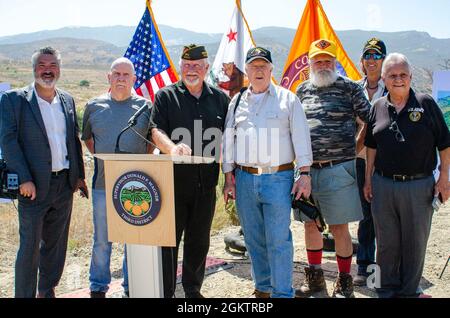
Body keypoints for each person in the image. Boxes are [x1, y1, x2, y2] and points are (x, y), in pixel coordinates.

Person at [222, 47, 313, 298]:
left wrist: (304, 173)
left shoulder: (288, 99)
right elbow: (229, 140)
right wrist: (228, 177)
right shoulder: (237, 101)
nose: (259, 70)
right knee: (253, 239)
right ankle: (262, 288)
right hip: (244, 178)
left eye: (264, 65)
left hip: (278, 178)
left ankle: (282, 293)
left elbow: (302, 139)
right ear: (247, 71)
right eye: (254, 66)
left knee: (278, 240)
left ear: (272, 69)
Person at [0, 47, 87, 298]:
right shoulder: (14, 100)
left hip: (64, 186)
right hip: (34, 188)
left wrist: (78, 176)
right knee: (29, 248)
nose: (47, 70)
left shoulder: (67, 100)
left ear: (59, 69)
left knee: (56, 246)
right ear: (34, 68)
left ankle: (46, 291)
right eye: (42, 65)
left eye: (52, 65)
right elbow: (8, 142)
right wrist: (24, 178)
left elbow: (73, 139)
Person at [364, 53, 450, 298]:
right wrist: (369, 179)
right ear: (384, 79)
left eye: (403, 74)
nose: (398, 79)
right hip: (383, 184)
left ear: (411, 77)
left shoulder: (426, 104)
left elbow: (445, 143)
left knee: (414, 244)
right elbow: (371, 146)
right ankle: (384, 289)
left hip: (418, 185)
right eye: (392, 75)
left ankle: (410, 292)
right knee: (386, 243)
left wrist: (444, 179)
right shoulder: (378, 106)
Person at [150, 44, 229, 298]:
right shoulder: (166, 96)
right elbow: (155, 130)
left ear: (206, 68)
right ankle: (166, 292)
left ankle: (193, 290)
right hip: (172, 184)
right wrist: (172, 149)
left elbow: (229, 142)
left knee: (199, 242)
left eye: (197, 65)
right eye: (186, 65)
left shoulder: (220, 99)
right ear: (180, 67)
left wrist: (229, 178)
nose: (191, 69)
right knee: (168, 242)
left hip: (206, 186)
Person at [295, 39, 371, 298]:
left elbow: (369, 120)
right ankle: (315, 278)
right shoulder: (302, 89)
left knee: (339, 227)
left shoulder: (349, 88)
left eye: (328, 60)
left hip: (339, 168)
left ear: (335, 62)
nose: (323, 64)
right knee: (309, 225)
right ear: (310, 63)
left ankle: (344, 281)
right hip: (307, 172)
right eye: (318, 60)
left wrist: (354, 147)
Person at [82, 57, 153, 298]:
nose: (121, 78)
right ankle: (98, 287)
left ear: (134, 79)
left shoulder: (145, 107)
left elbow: (151, 143)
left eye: (126, 75)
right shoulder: (93, 106)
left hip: (135, 186)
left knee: (131, 241)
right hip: (103, 185)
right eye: (117, 74)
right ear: (108, 77)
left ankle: (130, 287)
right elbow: (89, 140)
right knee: (102, 239)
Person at [354, 38, 388, 286]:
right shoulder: (354, 88)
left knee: (383, 216)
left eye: (377, 56)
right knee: (365, 215)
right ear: (362, 61)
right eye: (368, 55)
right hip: (359, 159)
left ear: (384, 61)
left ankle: (385, 268)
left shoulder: (397, 85)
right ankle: (364, 266)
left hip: (387, 161)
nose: (372, 60)